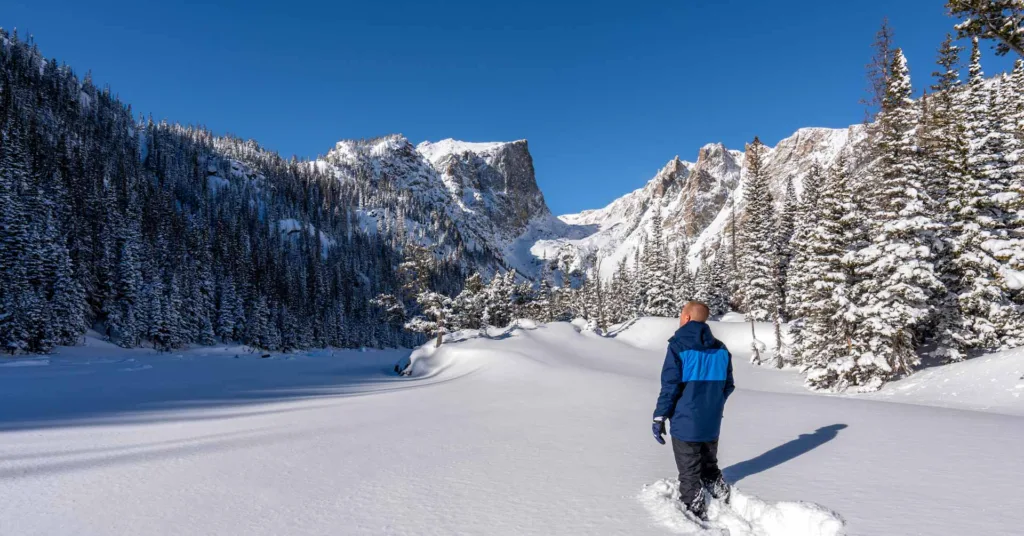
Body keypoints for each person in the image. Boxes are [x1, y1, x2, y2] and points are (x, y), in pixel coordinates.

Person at [651, 301, 734, 520]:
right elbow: (728, 385)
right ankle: (721, 496)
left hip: (686, 421)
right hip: (712, 420)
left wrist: (660, 417)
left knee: (689, 474)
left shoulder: (678, 346)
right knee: (710, 466)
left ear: (686, 318)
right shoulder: (721, 348)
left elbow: (670, 386)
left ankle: (694, 514)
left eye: (681, 314)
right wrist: (713, 403)